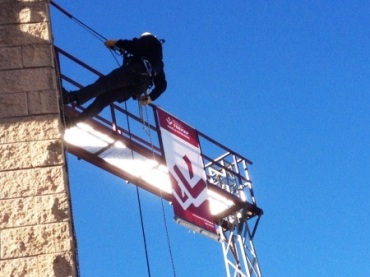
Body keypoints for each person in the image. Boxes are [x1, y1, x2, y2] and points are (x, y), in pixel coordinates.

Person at [62, 32, 167, 125]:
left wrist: (116, 42)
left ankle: (69, 98)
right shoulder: (159, 63)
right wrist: (150, 98)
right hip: (135, 88)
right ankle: (73, 123)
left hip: (133, 72)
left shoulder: (150, 40)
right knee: (103, 100)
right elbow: (162, 85)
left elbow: (135, 46)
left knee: (102, 85)